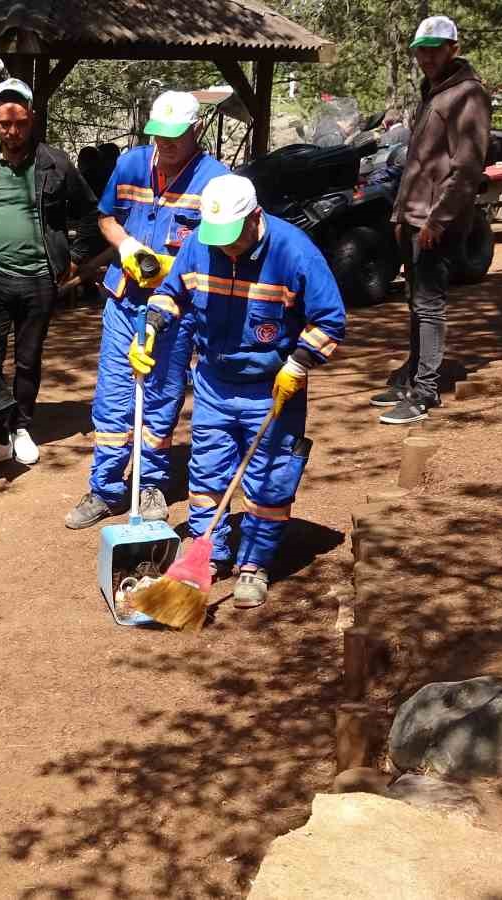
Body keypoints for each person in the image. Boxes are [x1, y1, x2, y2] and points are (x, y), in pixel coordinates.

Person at [145, 174, 346, 607]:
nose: (223, 247)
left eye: (231, 238)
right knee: (207, 473)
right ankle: (208, 554)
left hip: (272, 386)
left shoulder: (295, 253)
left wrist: (298, 363)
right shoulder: (203, 242)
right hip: (214, 382)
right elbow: (170, 293)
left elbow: (330, 320)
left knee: (268, 480)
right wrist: (150, 330)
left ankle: (254, 564)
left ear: (255, 218)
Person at [65, 91, 230, 529]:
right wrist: (127, 245)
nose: (165, 145)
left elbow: (225, 245)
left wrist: (177, 269)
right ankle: (105, 488)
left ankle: (149, 483)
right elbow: (106, 218)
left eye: (175, 137)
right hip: (124, 302)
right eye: (159, 135)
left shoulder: (215, 179)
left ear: (195, 131)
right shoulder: (132, 163)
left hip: (177, 310)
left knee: (161, 397)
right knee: (113, 398)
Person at [0, 77, 103, 469]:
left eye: (20, 123)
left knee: (28, 358)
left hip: (40, 279)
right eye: (5, 124)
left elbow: (91, 211)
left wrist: (75, 257)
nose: (13, 132)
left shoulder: (55, 163)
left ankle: (20, 427)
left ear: (32, 119)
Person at [371, 15, 491, 426]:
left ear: (453, 50)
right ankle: (411, 377)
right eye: (421, 50)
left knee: (430, 306)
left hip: (436, 222)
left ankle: (425, 392)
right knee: (415, 303)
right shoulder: (434, 92)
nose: (426, 57)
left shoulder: (467, 95)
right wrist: (401, 215)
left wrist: (437, 220)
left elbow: (466, 167)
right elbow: (421, 163)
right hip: (414, 217)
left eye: (434, 49)